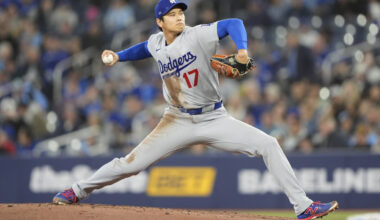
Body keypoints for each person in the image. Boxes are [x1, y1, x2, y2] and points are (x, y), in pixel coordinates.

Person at [53, 1, 338, 219]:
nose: (180, 17)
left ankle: (303, 207)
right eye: (173, 14)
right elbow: (146, 48)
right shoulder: (157, 41)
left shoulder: (198, 35)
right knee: (130, 165)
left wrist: (241, 49)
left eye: (181, 12)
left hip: (214, 117)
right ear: (159, 22)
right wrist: (119, 56)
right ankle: (76, 191)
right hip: (175, 120)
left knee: (268, 144)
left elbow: (234, 22)